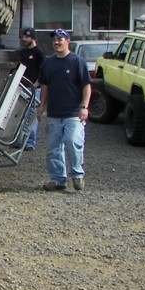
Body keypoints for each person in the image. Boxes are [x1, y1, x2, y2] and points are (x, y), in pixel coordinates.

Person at [37, 28, 91, 192]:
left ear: (67, 41)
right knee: (53, 149)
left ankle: (77, 174)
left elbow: (86, 86)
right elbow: (44, 87)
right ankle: (58, 179)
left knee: (72, 142)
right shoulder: (48, 63)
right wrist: (41, 107)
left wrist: (84, 106)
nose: (56, 42)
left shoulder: (77, 62)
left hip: (73, 113)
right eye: (54, 40)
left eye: (60, 39)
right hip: (54, 113)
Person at [17, 27, 45, 150]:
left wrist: (37, 83)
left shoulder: (38, 52)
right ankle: (19, 140)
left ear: (33, 38)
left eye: (27, 37)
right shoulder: (22, 52)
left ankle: (30, 142)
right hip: (21, 87)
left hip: (34, 89)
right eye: (23, 37)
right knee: (19, 114)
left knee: (31, 115)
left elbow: (44, 70)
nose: (24, 39)